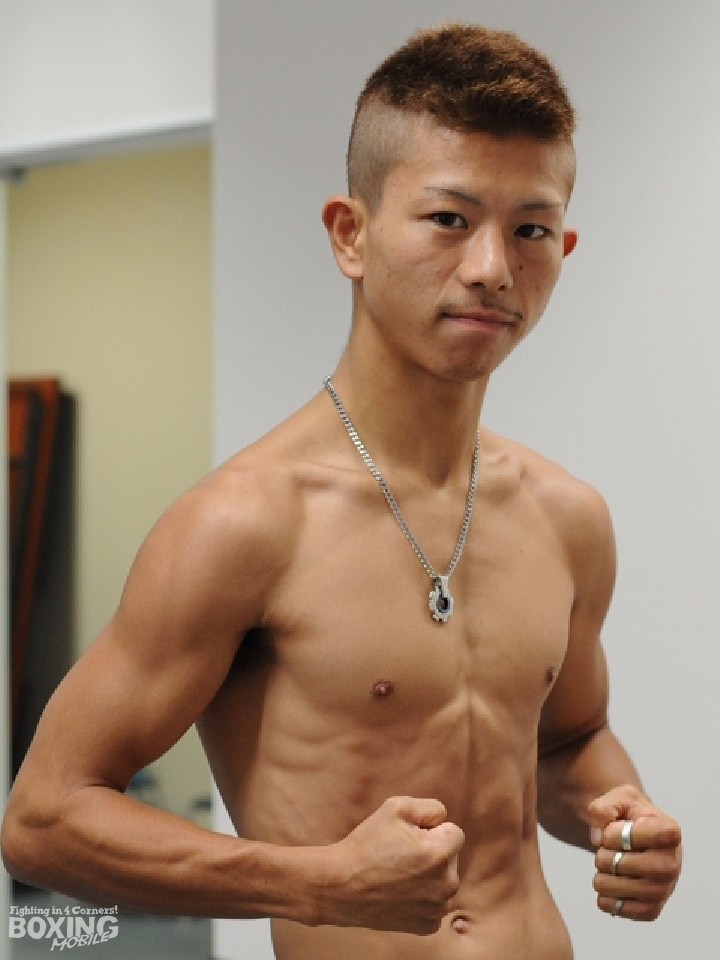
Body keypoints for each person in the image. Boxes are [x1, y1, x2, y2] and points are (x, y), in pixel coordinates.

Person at [1, 23, 682, 960]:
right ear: (350, 235)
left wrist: (624, 821)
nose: (492, 268)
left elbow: (570, 742)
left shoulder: (569, 519)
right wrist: (319, 883)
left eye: (529, 230)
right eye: (449, 220)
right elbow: (43, 819)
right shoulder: (245, 524)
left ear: (563, 246)